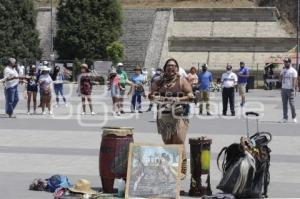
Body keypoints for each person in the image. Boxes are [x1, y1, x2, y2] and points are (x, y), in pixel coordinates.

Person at [148, 58, 194, 179]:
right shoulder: (159, 82)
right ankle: (171, 168)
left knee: (178, 141)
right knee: (168, 143)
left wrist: (178, 99)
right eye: (168, 65)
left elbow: (191, 96)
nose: (171, 67)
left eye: (173, 66)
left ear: (177, 68)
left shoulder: (182, 81)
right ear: (165, 68)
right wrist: (155, 96)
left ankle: (182, 169)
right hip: (163, 116)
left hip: (179, 115)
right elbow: (151, 95)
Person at [280, 57, 298, 123]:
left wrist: (293, 87)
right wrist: (281, 75)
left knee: (292, 104)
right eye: (284, 62)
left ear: (290, 63)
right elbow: (280, 79)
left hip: (290, 89)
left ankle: (294, 117)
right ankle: (285, 118)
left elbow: (295, 79)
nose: (285, 63)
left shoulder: (293, 71)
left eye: (286, 62)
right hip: (283, 89)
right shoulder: (283, 70)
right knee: (284, 104)